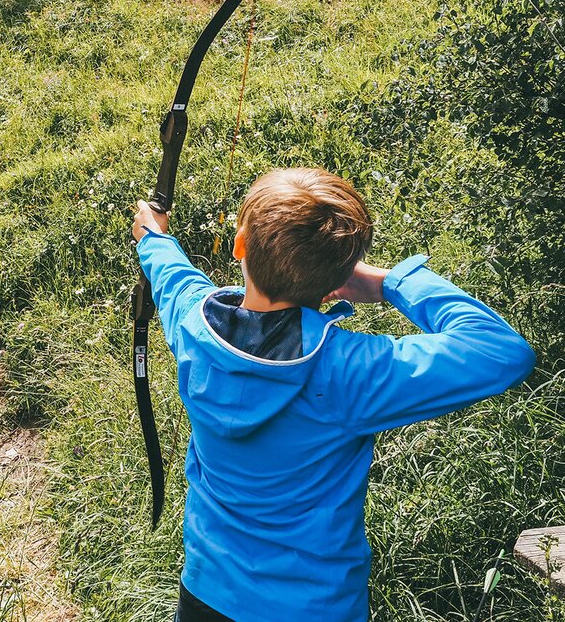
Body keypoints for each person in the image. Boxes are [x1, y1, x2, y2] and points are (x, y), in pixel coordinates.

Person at [132, 167, 536, 622]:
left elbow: (171, 274)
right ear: (335, 282)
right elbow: (499, 350)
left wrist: (152, 236)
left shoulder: (193, 324)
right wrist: (390, 283)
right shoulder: (348, 371)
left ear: (240, 244)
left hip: (206, 593)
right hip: (311, 608)